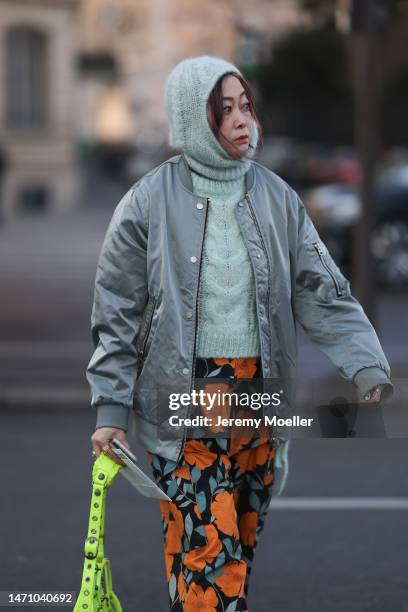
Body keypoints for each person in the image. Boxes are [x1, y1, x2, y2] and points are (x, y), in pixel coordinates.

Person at [87, 55, 393, 610]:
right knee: (213, 560)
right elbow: (117, 314)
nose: (241, 121)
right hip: (184, 397)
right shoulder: (146, 203)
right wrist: (111, 412)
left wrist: (366, 365)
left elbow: (322, 291)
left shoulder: (278, 198)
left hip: (259, 396)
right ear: (189, 118)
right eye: (221, 110)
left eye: (244, 105)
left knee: (233, 553)